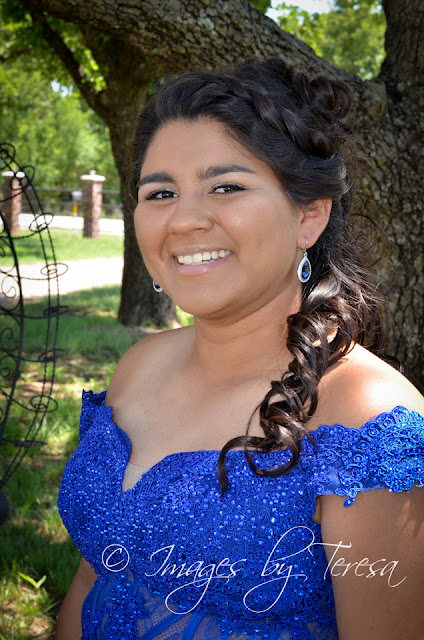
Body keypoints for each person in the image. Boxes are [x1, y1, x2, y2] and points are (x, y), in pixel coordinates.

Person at [55, 57, 424, 640]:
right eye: (160, 192)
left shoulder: (368, 417)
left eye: (226, 187)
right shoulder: (139, 366)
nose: (184, 220)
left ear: (309, 216)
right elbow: (94, 576)